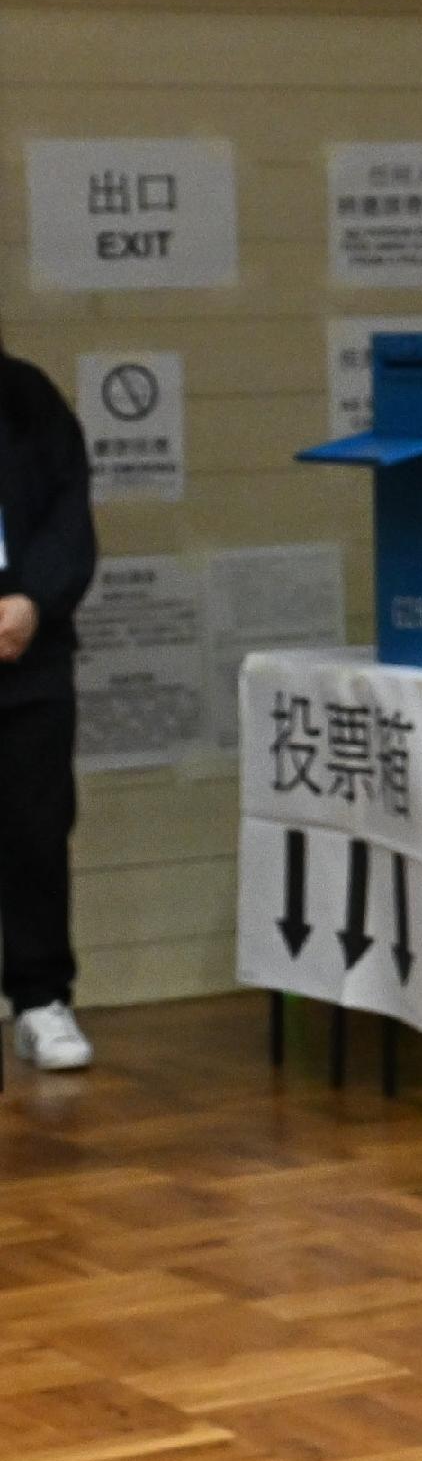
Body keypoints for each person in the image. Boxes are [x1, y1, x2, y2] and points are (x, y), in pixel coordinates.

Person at [0, 336, 96, 1075]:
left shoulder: (27, 396)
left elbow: (70, 511)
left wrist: (33, 599)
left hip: (26, 658)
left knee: (35, 827)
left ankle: (40, 1000)